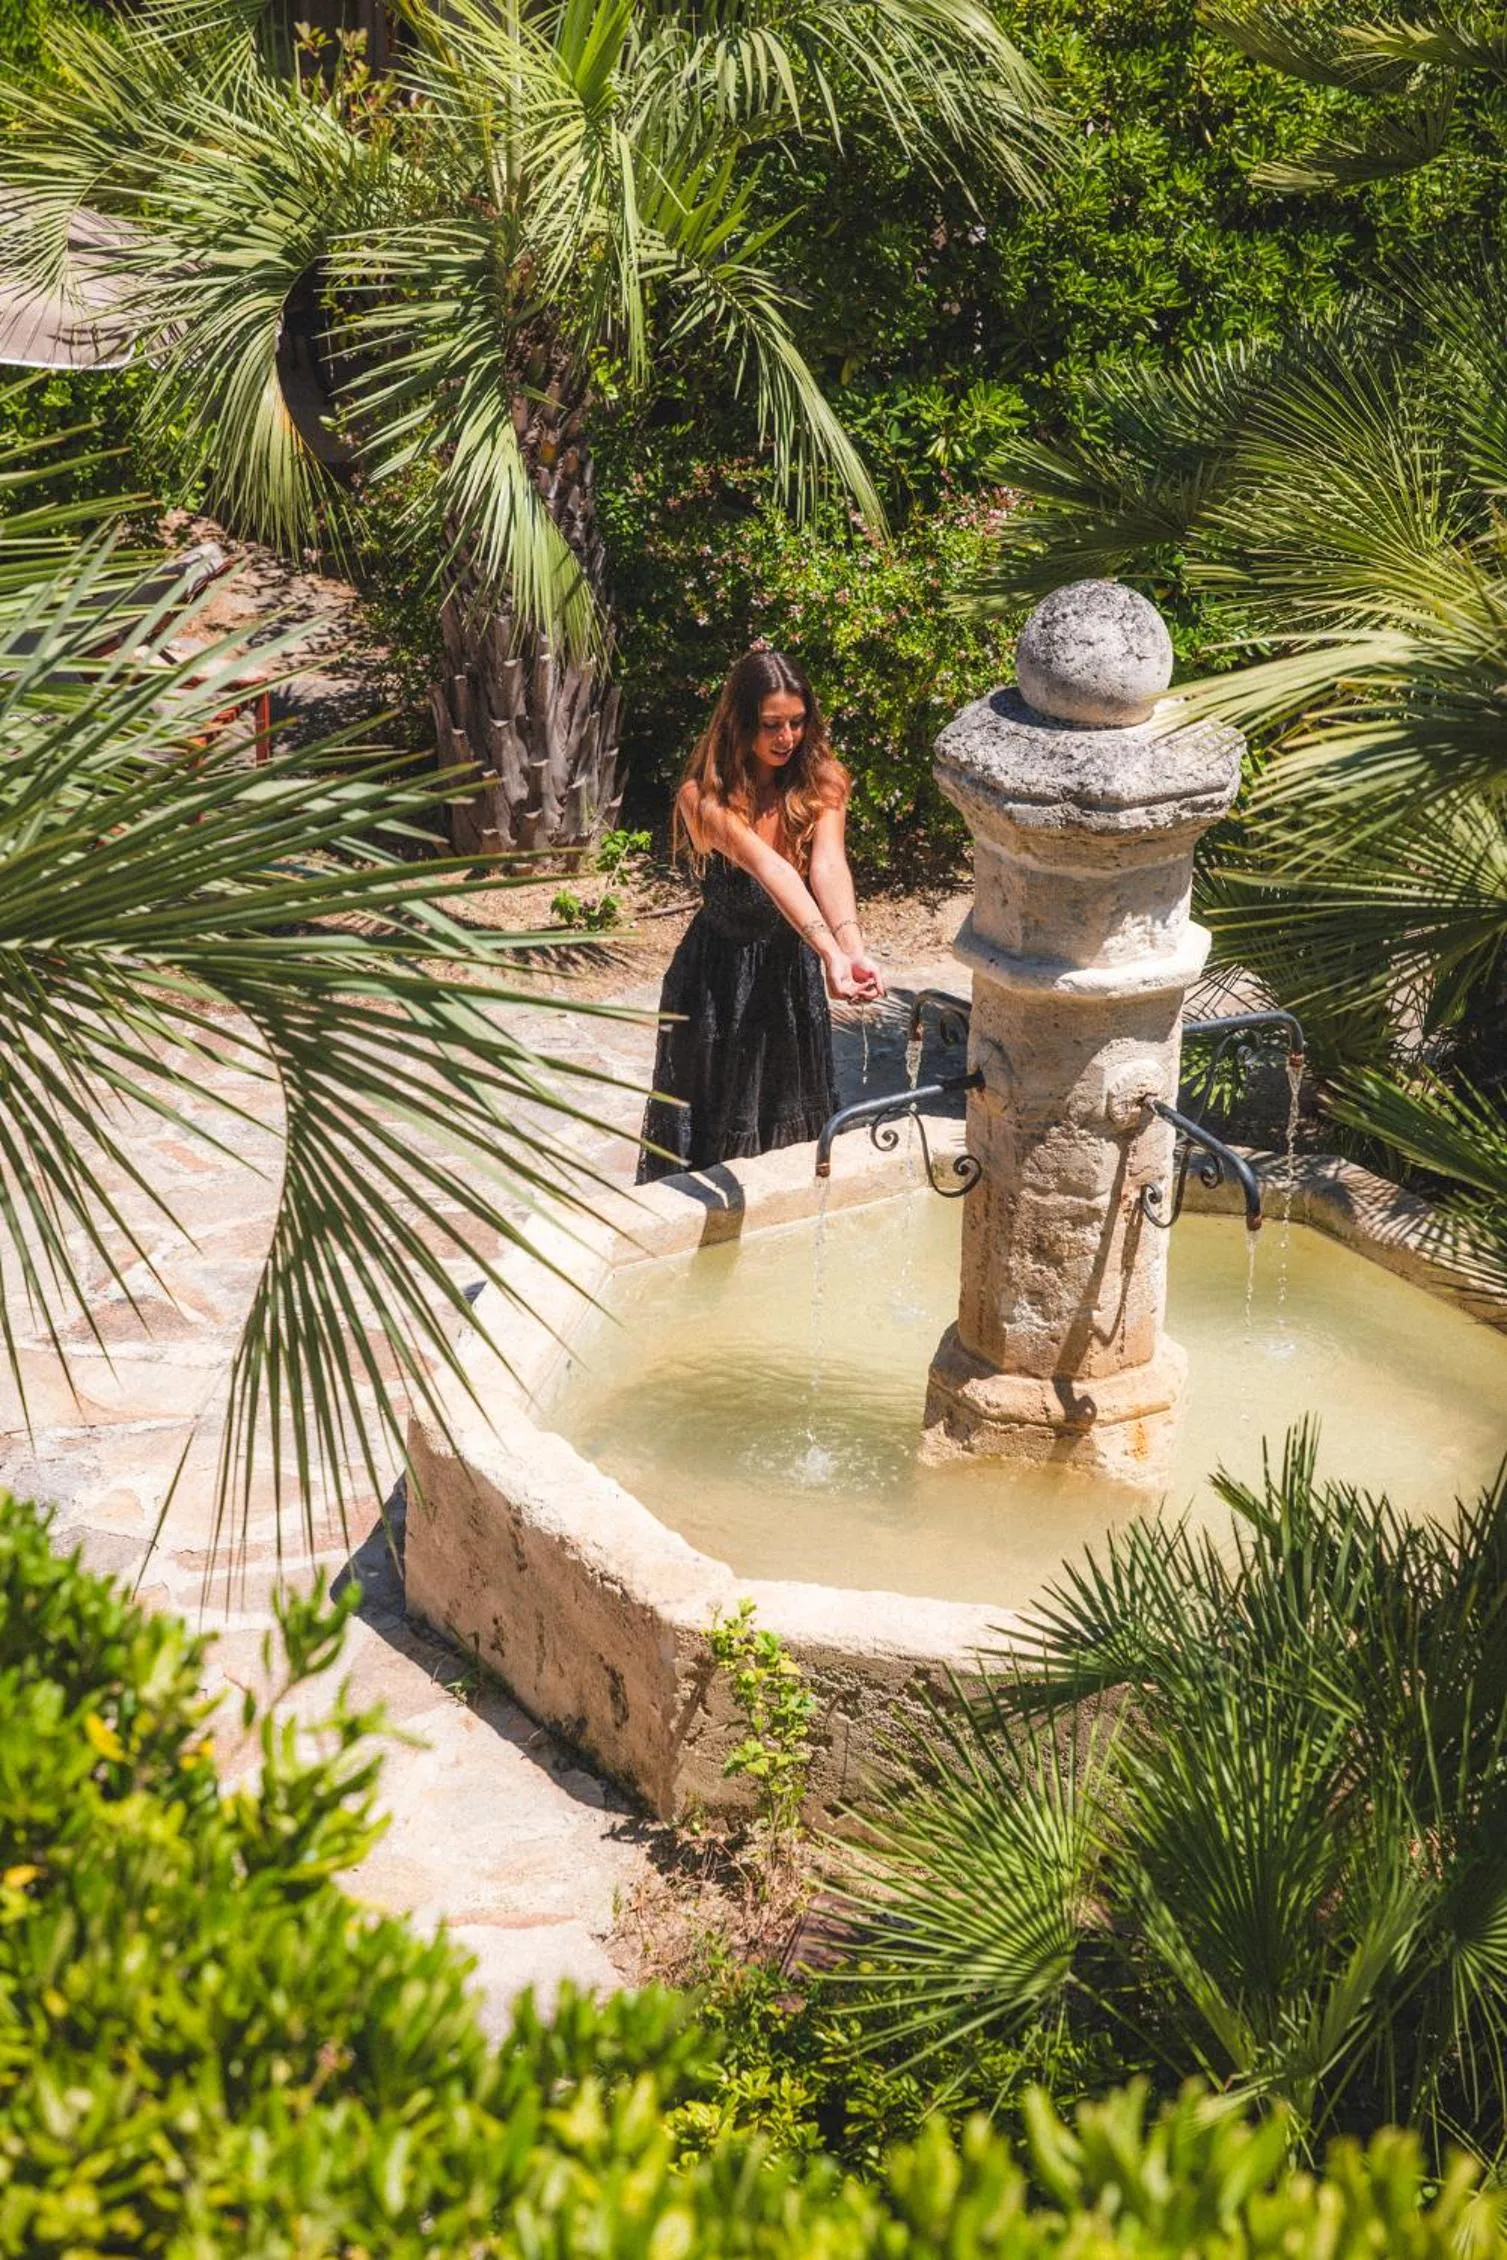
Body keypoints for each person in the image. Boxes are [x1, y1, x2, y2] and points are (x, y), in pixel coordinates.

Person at [637, 649, 885, 1183]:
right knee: (707, 1134)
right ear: (740, 723)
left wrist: (851, 950)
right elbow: (773, 872)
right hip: (715, 980)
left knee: (790, 1123)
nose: (787, 737)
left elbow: (828, 867)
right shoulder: (701, 797)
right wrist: (829, 953)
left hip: (787, 973)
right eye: (771, 725)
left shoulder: (823, 781)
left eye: (797, 722)